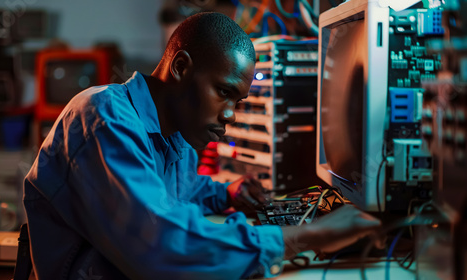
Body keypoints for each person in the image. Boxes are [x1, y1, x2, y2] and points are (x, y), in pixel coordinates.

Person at [23, 12, 381, 280]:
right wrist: (307, 235)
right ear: (181, 67)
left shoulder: (173, 134)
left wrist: (227, 193)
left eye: (238, 102)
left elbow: (178, 192)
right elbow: (159, 245)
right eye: (224, 92)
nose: (230, 116)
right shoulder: (104, 118)